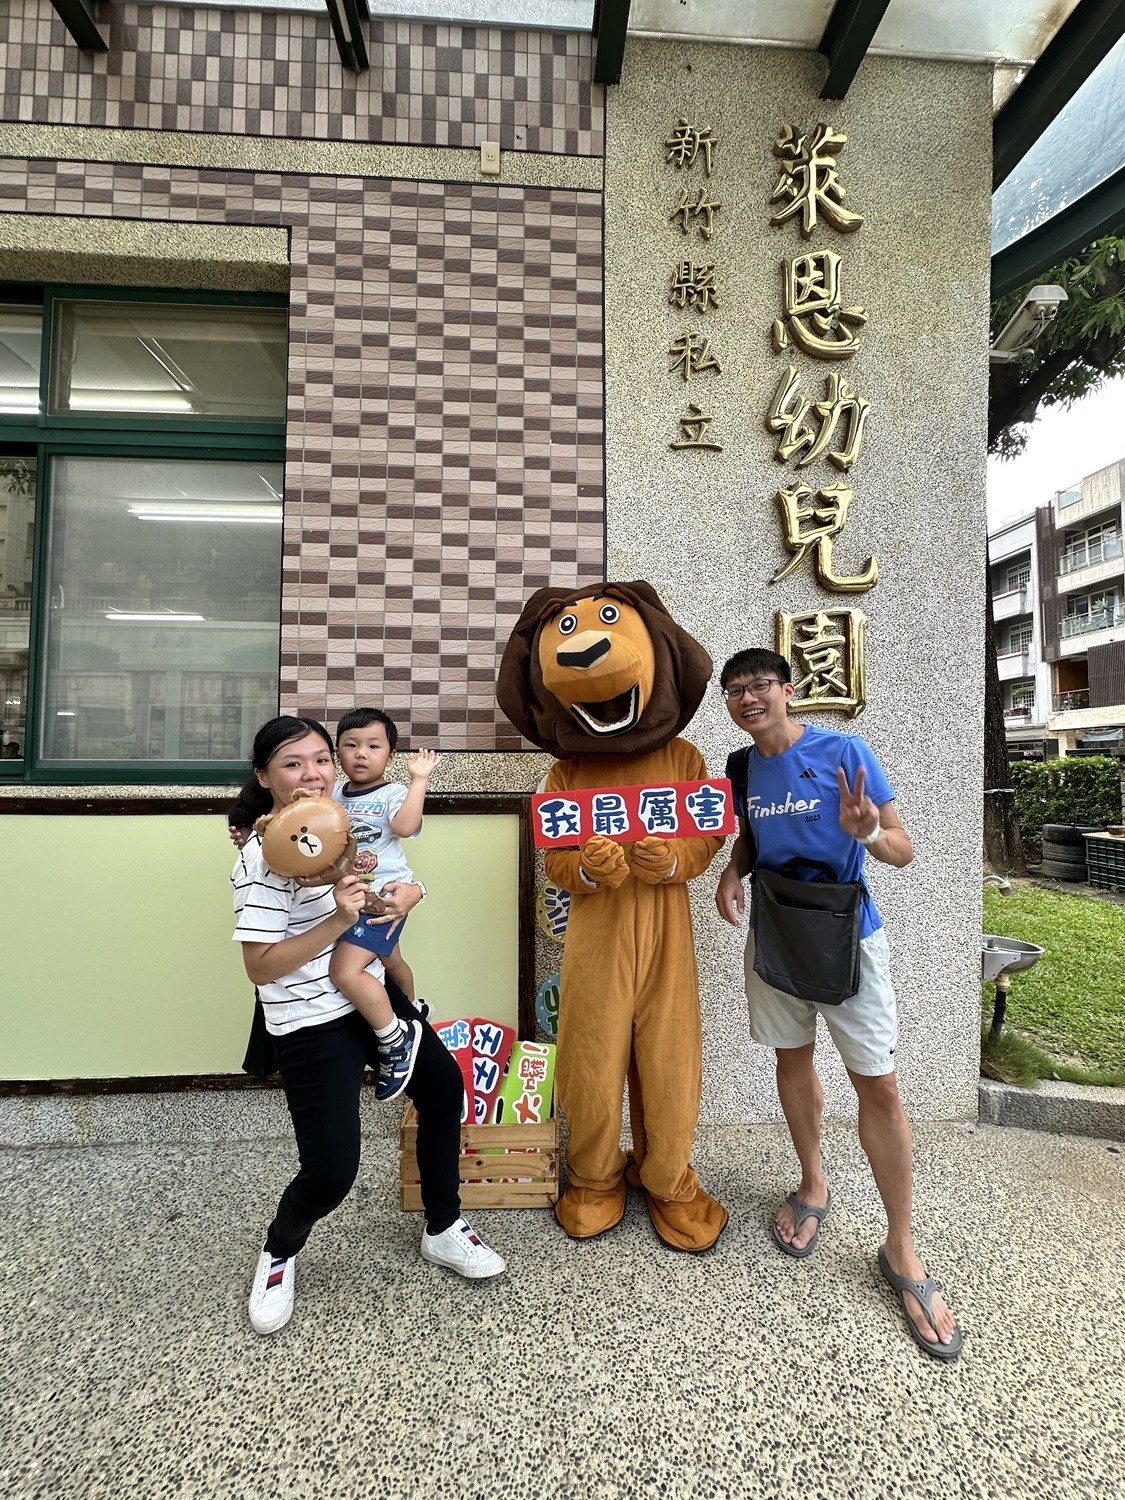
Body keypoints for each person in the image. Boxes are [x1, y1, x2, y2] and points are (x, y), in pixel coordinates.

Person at [714, 648, 963, 1361]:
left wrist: (867, 834)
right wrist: (732, 873)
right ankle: (812, 1184)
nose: (748, 698)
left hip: (846, 932)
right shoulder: (740, 767)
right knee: (790, 1060)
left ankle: (901, 1246)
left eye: (760, 685)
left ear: (788, 690)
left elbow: (902, 849)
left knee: (878, 1085)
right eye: (734, 691)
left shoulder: (844, 752)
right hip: (775, 931)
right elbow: (750, 836)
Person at [231, 715, 505, 1337]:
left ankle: (443, 1225)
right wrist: (336, 922)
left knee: (444, 1091)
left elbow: (385, 880)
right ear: (265, 777)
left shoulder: (339, 825)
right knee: (331, 1171)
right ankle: (279, 1251)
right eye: (293, 764)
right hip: (308, 1020)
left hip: (371, 995)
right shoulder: (260, 858)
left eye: (320, 760)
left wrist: (412, 893)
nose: (312, 775)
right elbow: (260, 966)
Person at [326, 708, 439, 1099]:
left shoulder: (392, 794)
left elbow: (404, 827)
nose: (361, 753)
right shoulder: (334, 795)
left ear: (390, 756)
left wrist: (418, 780)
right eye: (351, 745)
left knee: (344, 971)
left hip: (383, 901)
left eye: (373, 746)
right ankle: (414, 1009)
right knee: (391, 961)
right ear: (337, 753)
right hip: (351, 897)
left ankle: (395, 1039)